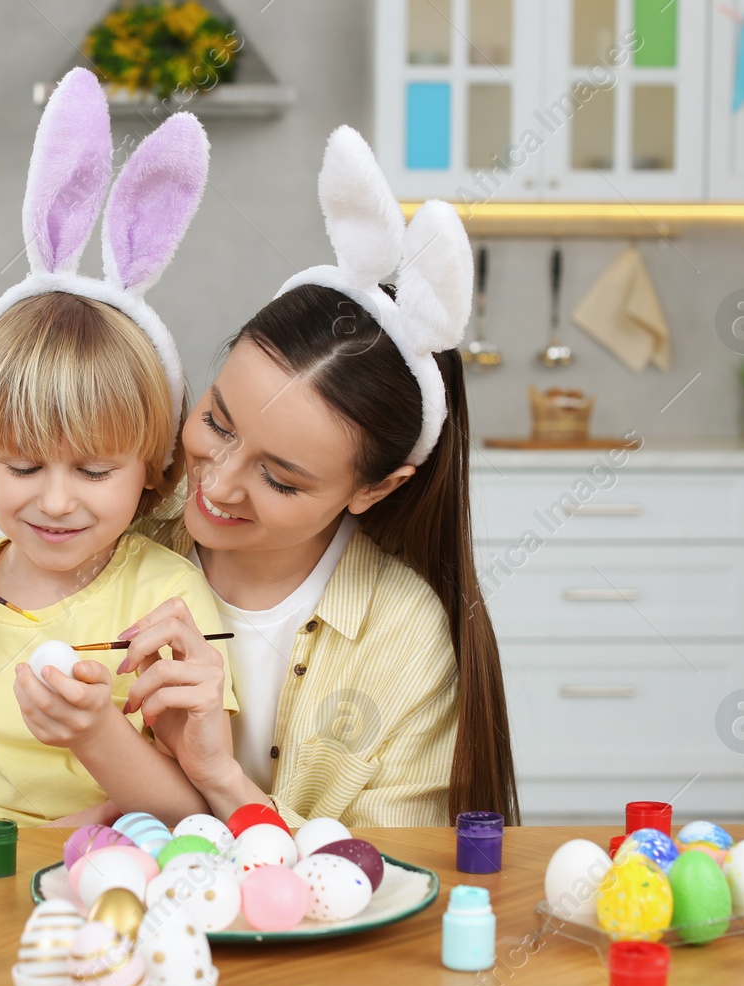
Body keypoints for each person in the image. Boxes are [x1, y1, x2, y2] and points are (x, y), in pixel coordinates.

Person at [0, 69, 234, 828]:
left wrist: (97, 737)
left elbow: (194, 810)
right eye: (22, 466)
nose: (55, 499)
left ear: (153, 470)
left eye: (94, 470)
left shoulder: (169, 603)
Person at [120, 127, 519, 828]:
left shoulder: (404, 636)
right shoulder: (116, 539)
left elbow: (391, 875)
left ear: (379, 487)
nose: (217, 485)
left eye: (280, 479)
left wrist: (219, 778)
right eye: (218, 421)